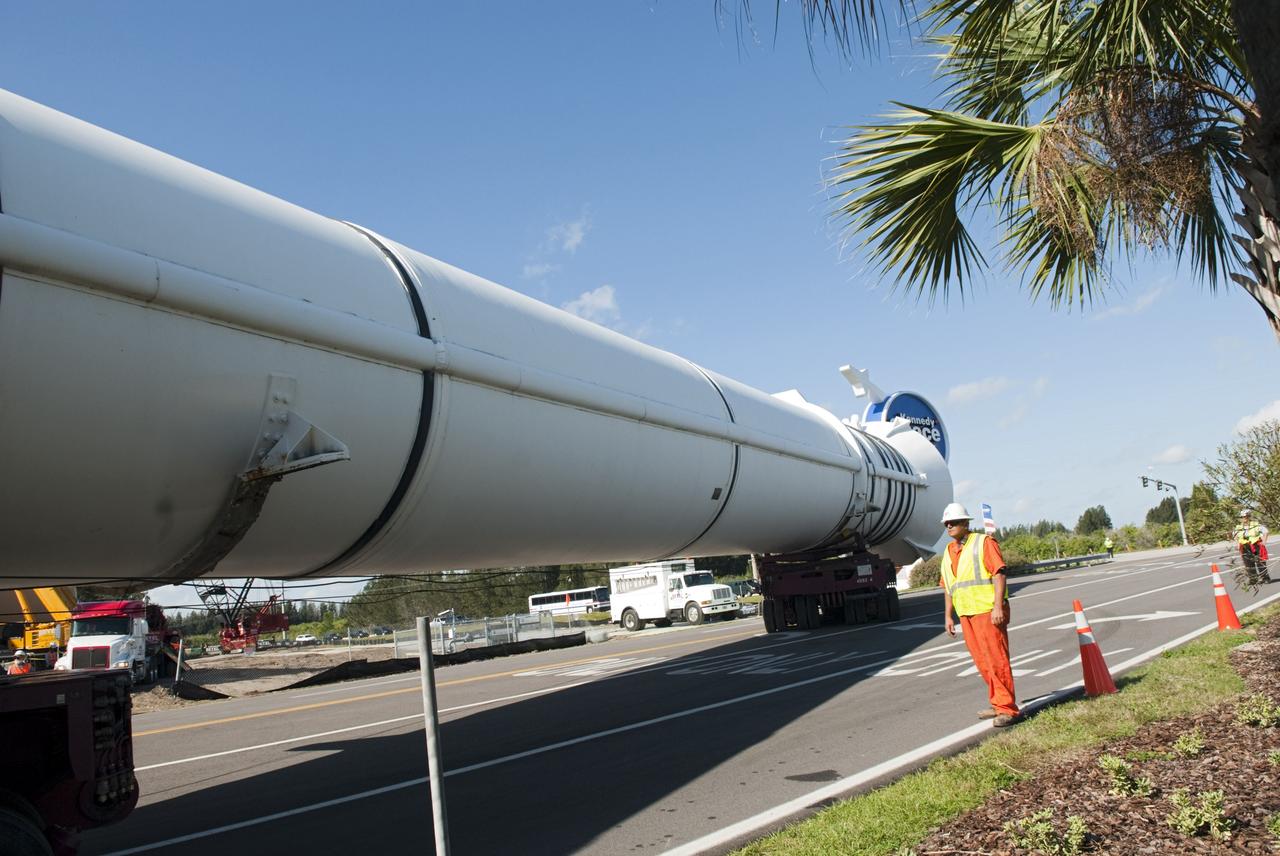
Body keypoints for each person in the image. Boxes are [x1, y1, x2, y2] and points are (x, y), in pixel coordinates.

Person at [939, 502, 1020, 727]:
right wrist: (948, 616)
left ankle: (1007, 709)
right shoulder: (948, 551)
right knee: (983, 662)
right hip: (966, 613)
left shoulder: (984, 543)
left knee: (996, 659)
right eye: (946, 524)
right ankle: (998, 703)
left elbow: (999, 574)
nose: (949, 527)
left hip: (987, 610)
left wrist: (997, 606)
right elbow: (948, 587)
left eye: (954, 522)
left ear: (966, 523)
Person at [1234, 509, 1271, 584]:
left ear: (1249, 516)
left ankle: (1265, 578)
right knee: (1248, 563)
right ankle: (1253, 579)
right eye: (1242, 517)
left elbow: (1266, 532)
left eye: (1246, 517)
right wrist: (1238, 544)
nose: (1244, 518)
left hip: (1256, 545)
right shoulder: (1238, 527)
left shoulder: (1255, 524)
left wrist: (1264, 542)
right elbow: (1236, 536)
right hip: (1245, 547)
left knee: (1260, 562)